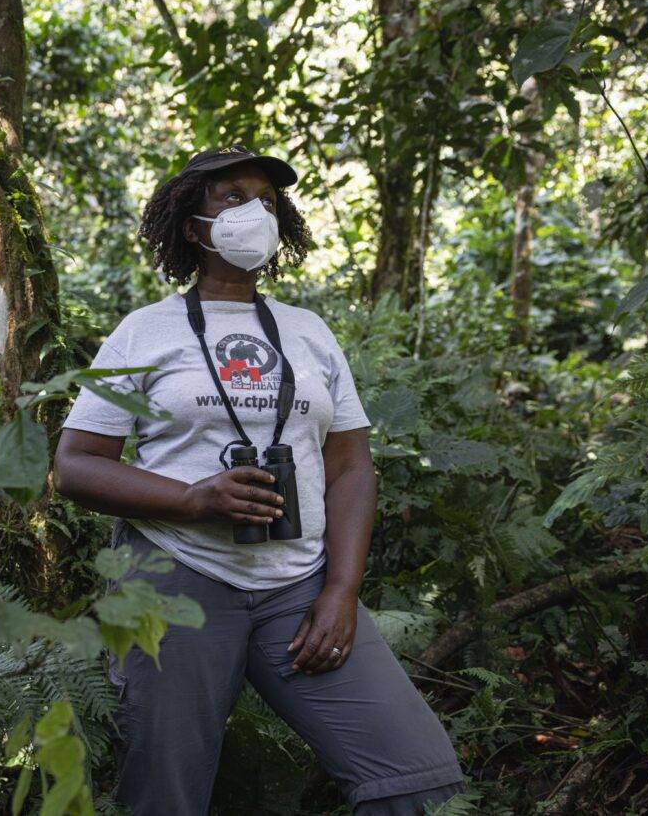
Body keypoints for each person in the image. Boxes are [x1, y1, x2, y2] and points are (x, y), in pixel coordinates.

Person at [53, 145, 466, 815]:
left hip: (297, 588)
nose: (256, 212)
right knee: (166, 795)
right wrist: (192, 499)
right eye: (234, 197)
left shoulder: (309, 332)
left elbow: (351, 465)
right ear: (194, 227)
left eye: (268, 201)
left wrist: (342, 589)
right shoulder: (144, 332)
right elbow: (75, 465)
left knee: (418, 778)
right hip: (177, 577)